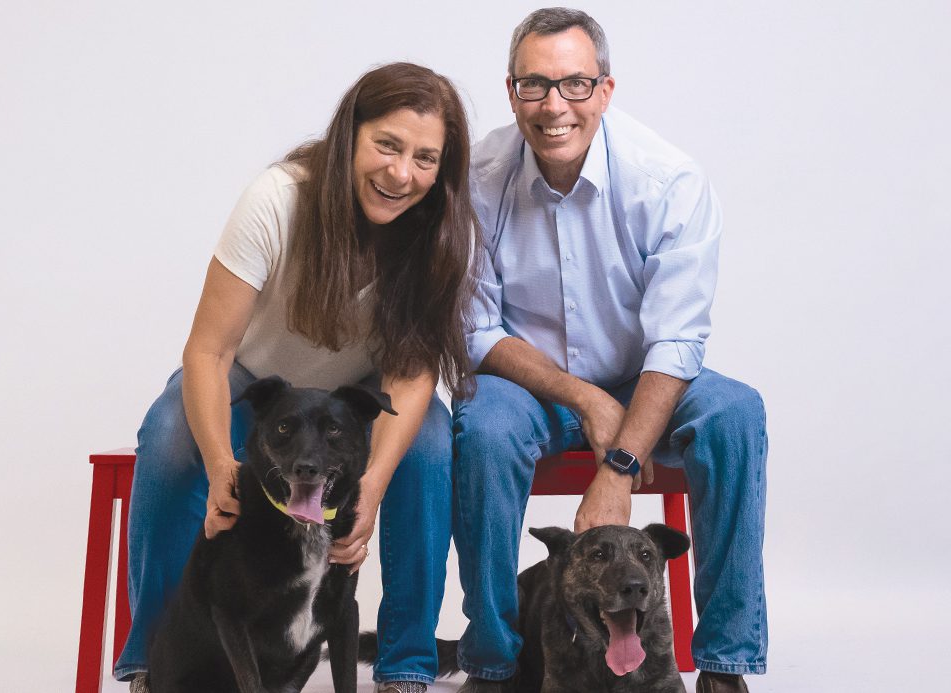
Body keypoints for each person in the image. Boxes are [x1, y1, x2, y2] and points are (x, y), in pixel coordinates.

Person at [378, 9, 768, 693]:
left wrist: (618, 466)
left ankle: (724, 662)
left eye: (575, 84)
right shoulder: (476, 180)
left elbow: (676, 343)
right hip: (532, 388)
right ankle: (495, 660)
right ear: (511, 91)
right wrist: (584, 397)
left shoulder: (669, 182)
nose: (555, 105)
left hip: (646, 379)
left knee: (736, 412)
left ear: (606, 90)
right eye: (535, 85)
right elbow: (475, 334)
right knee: (485, 422)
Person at [112, 62, 479, 692]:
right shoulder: (278, 198)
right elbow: (207, 352)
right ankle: (154, 658)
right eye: (387, 145)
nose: (401, 173)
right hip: (251, 377)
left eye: (425, 158)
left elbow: (413, 376)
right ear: (349, 138)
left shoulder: (439, 232)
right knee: (171, 429)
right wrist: (223, 466)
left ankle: (405, 662)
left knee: (430, 441)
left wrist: (370, 487)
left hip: (352, 395)